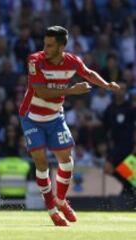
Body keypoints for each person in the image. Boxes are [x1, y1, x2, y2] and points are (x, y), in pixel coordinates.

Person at [18, 26, 120, 226]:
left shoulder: (72, 61)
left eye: (50, 45)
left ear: (62, 46)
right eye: (44, 44)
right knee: (41, 163)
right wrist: (73, 91)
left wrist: (107, 85)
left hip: (55, 117)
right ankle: (51, 209)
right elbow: (41, 92)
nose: (44, 48)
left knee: (67, 161)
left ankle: (61, 200)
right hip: (32, 116)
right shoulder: (34, 60)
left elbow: (88, 73)